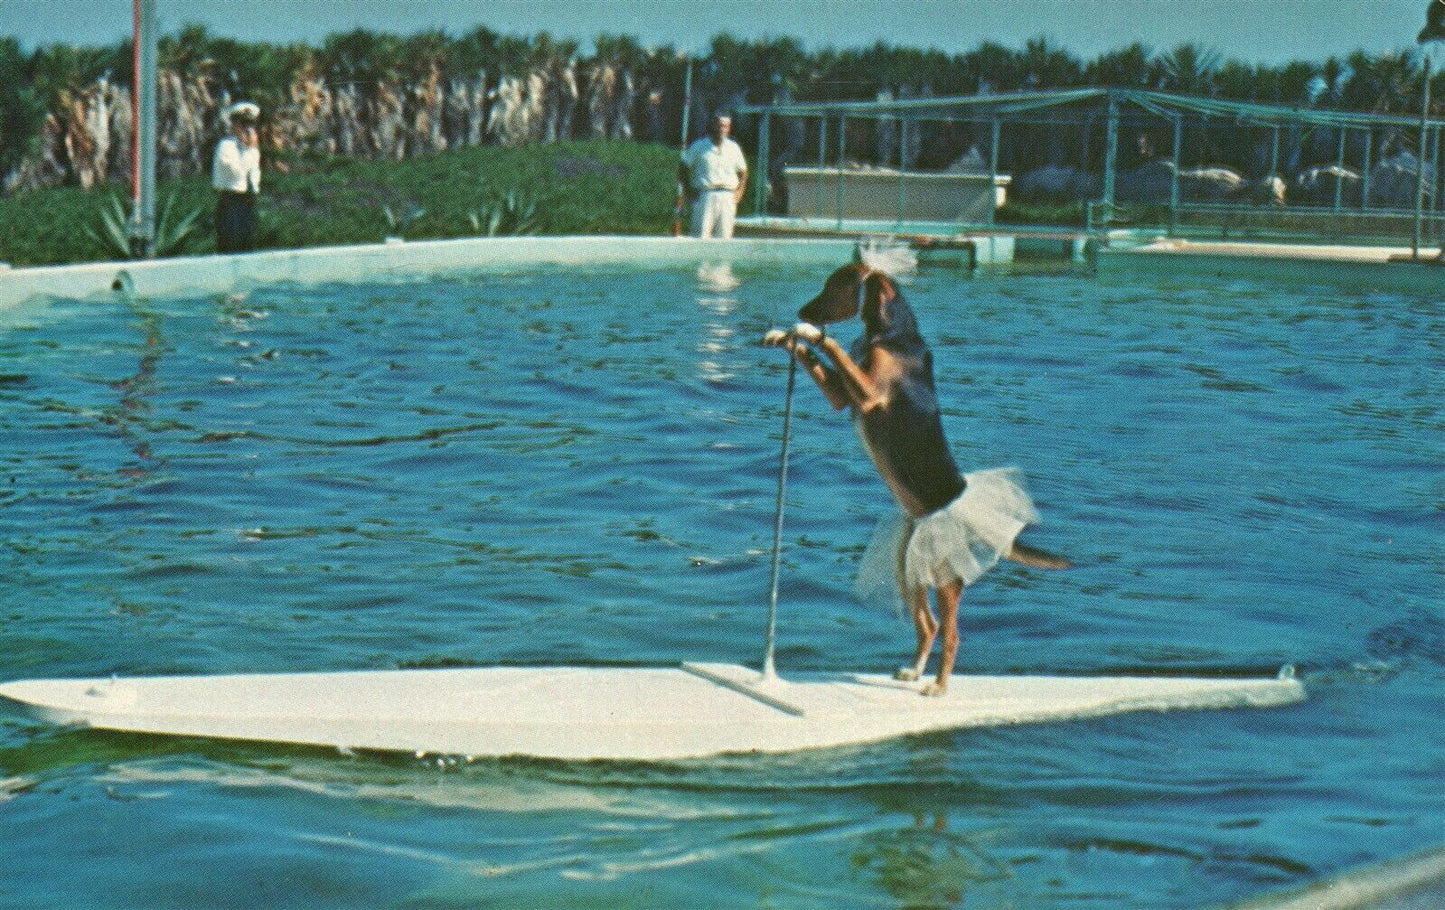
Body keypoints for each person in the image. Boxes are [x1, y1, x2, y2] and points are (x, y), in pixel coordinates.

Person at [678, 112, 748, 239]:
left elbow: (743, 171)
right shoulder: (699, 146)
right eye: (719, 125)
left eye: (726, 126)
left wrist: (740, 191)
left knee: (725, 238)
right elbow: (683, 168)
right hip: (705, 196)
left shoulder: (734, 148)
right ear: (713, 126)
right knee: (701, 237)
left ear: (729, 128)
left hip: (728, 197)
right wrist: (688, 191)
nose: (722, 129)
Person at [212, 101, 262, 254]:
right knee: (231, 247)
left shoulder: (252, 150)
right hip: (231, 202)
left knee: (248, 248)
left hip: (247, 202)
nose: (247, 130)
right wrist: (249, 149)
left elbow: (254, 177)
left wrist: (251, 149)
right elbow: (237, 173)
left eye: (250, 125)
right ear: (234, 125)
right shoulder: (226, 147)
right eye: (243, 124)